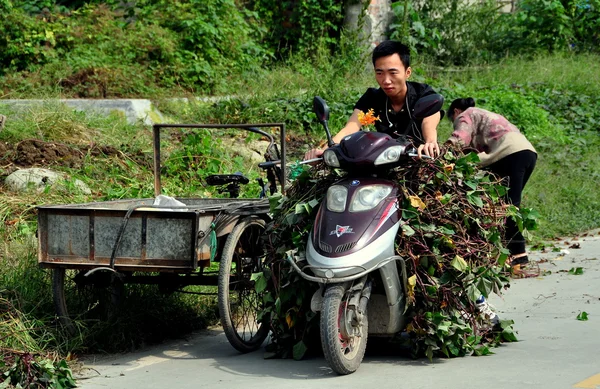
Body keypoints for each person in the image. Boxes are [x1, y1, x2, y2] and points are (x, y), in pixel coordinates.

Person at [304, 40, 441, 160]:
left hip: (416, 159)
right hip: (378, 161)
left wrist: (430, 142)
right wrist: (327, 149)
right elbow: (351, 127)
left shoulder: (423, 94)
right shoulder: (372, 97)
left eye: (393, 73)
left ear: (407, 72)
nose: (386, 81)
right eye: (379, 73)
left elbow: (429, 123)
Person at [445, 97, 537, 273]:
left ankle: (517, 256)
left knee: (507, 207)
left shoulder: (465, 114)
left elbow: (460, 137)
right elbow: (474, 151)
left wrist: (444, 153)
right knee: (505, 204)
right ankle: (509, 254)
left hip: (509, 155)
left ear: (455, 111)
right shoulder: (486, 114)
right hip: (527, 153)